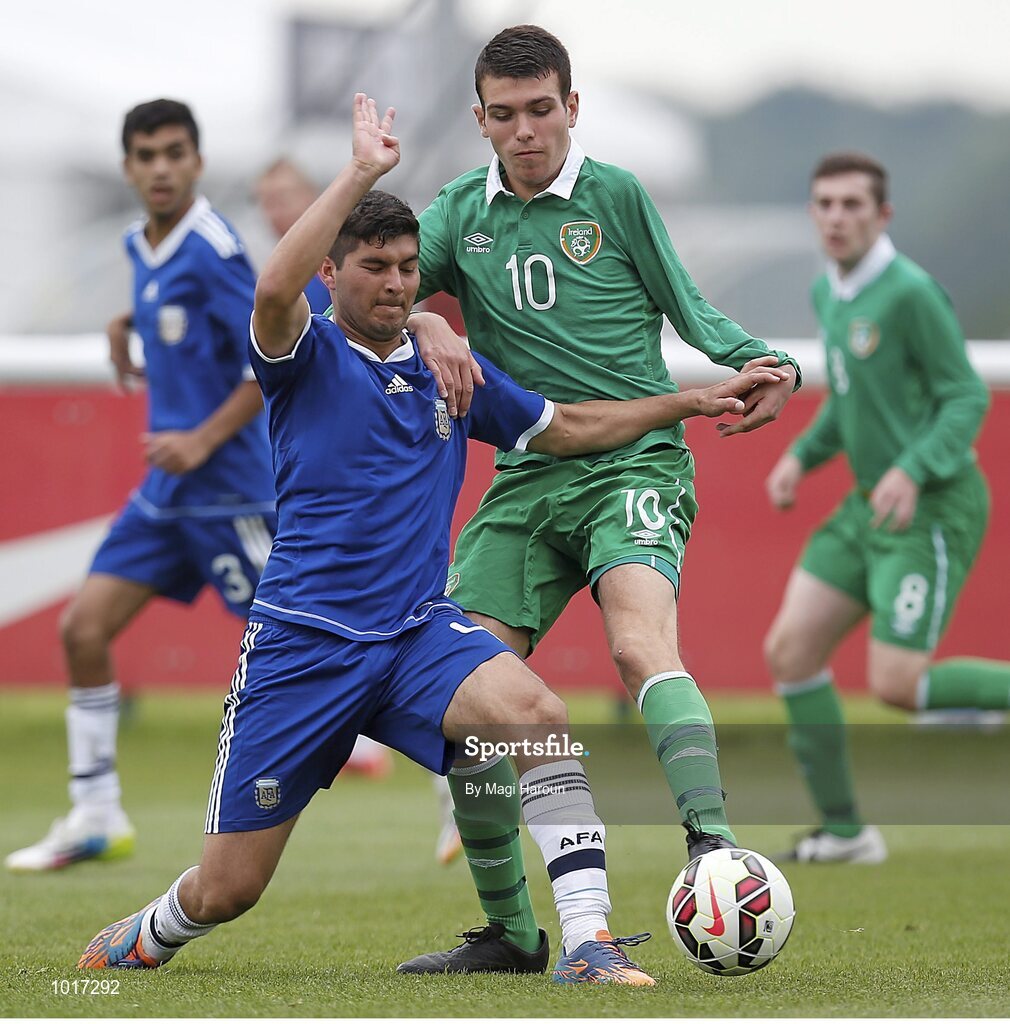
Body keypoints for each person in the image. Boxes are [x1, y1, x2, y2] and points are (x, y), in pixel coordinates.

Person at [77, 94, 784, 984]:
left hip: (413, 634)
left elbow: (565, 426)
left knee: (538, 718)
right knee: (227, 890)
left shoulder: (447, 370)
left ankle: (586, 943)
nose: (398, 284)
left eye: (411, 269)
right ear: (334, 276)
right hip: (303, 645)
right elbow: (270, 288)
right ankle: (152, 930)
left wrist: (683, 400)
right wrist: (363, 171)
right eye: (375, 267)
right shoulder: (303, 356)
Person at [398, 24, 801, 966]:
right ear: (481, 120)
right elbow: (380, 291)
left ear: (572, 108)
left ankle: (711, 846)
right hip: (527, 478)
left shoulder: (615, 195)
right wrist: (426, 317)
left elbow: (690, 307)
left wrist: (760, 359)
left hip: (636, 465)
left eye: (543, 110)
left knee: (636, 643)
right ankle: (511, 932)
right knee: (471, 698)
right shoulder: (459, 214)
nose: (527, 131)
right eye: (507, 115)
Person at [5, 99, 276, 873]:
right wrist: (128, 320)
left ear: (196, 160)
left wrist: (201, 437)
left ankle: (454, 774)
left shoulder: (218, 248)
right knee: (83, 631)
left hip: (233, 493)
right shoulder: (140, 243)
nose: (161, 168)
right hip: (166, 498)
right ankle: (95, 813)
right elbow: (178, 317)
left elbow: (270, 357)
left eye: (174, 153)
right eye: (146, 156)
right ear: (128, 167)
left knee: (317, 648)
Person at [763, 152, 1006, 864]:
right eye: (825, 205)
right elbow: (850, 398)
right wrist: (801, 457)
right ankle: (846, 834)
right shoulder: (829, 292)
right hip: (867, 506)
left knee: (898, 685)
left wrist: (911, 467)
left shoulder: (910, 294)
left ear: (882, 215)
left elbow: (965, 396)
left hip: (930, 507)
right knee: (790, 651)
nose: (836, 217)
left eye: (852, 205)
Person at [255, 156, 395, 785]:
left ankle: (454, 795)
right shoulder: (287, 279)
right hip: (286, 484)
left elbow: (394, 319)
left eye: (288, 195)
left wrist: (429, 322)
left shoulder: (331, 272)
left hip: (250, 483)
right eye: (267, 198)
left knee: (492, 690)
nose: (275, 208)